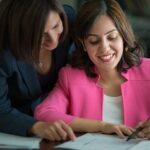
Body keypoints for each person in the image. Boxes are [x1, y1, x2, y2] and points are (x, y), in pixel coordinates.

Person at [35, 0, 150, 139]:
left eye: (112, 37)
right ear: (83, 44)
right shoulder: (70, 76)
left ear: (123, 37)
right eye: (94, 41)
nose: (105, 48)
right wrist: (103, 126)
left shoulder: (147, 70)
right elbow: (44, 112)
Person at [0, 0, 76, 141]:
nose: (53, 40)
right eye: (40, 35)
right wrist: (37, 126)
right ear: (19, 33)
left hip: (67, 119)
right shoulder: (4, 51)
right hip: (18, 129)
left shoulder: (70, 20)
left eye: (55, 26)